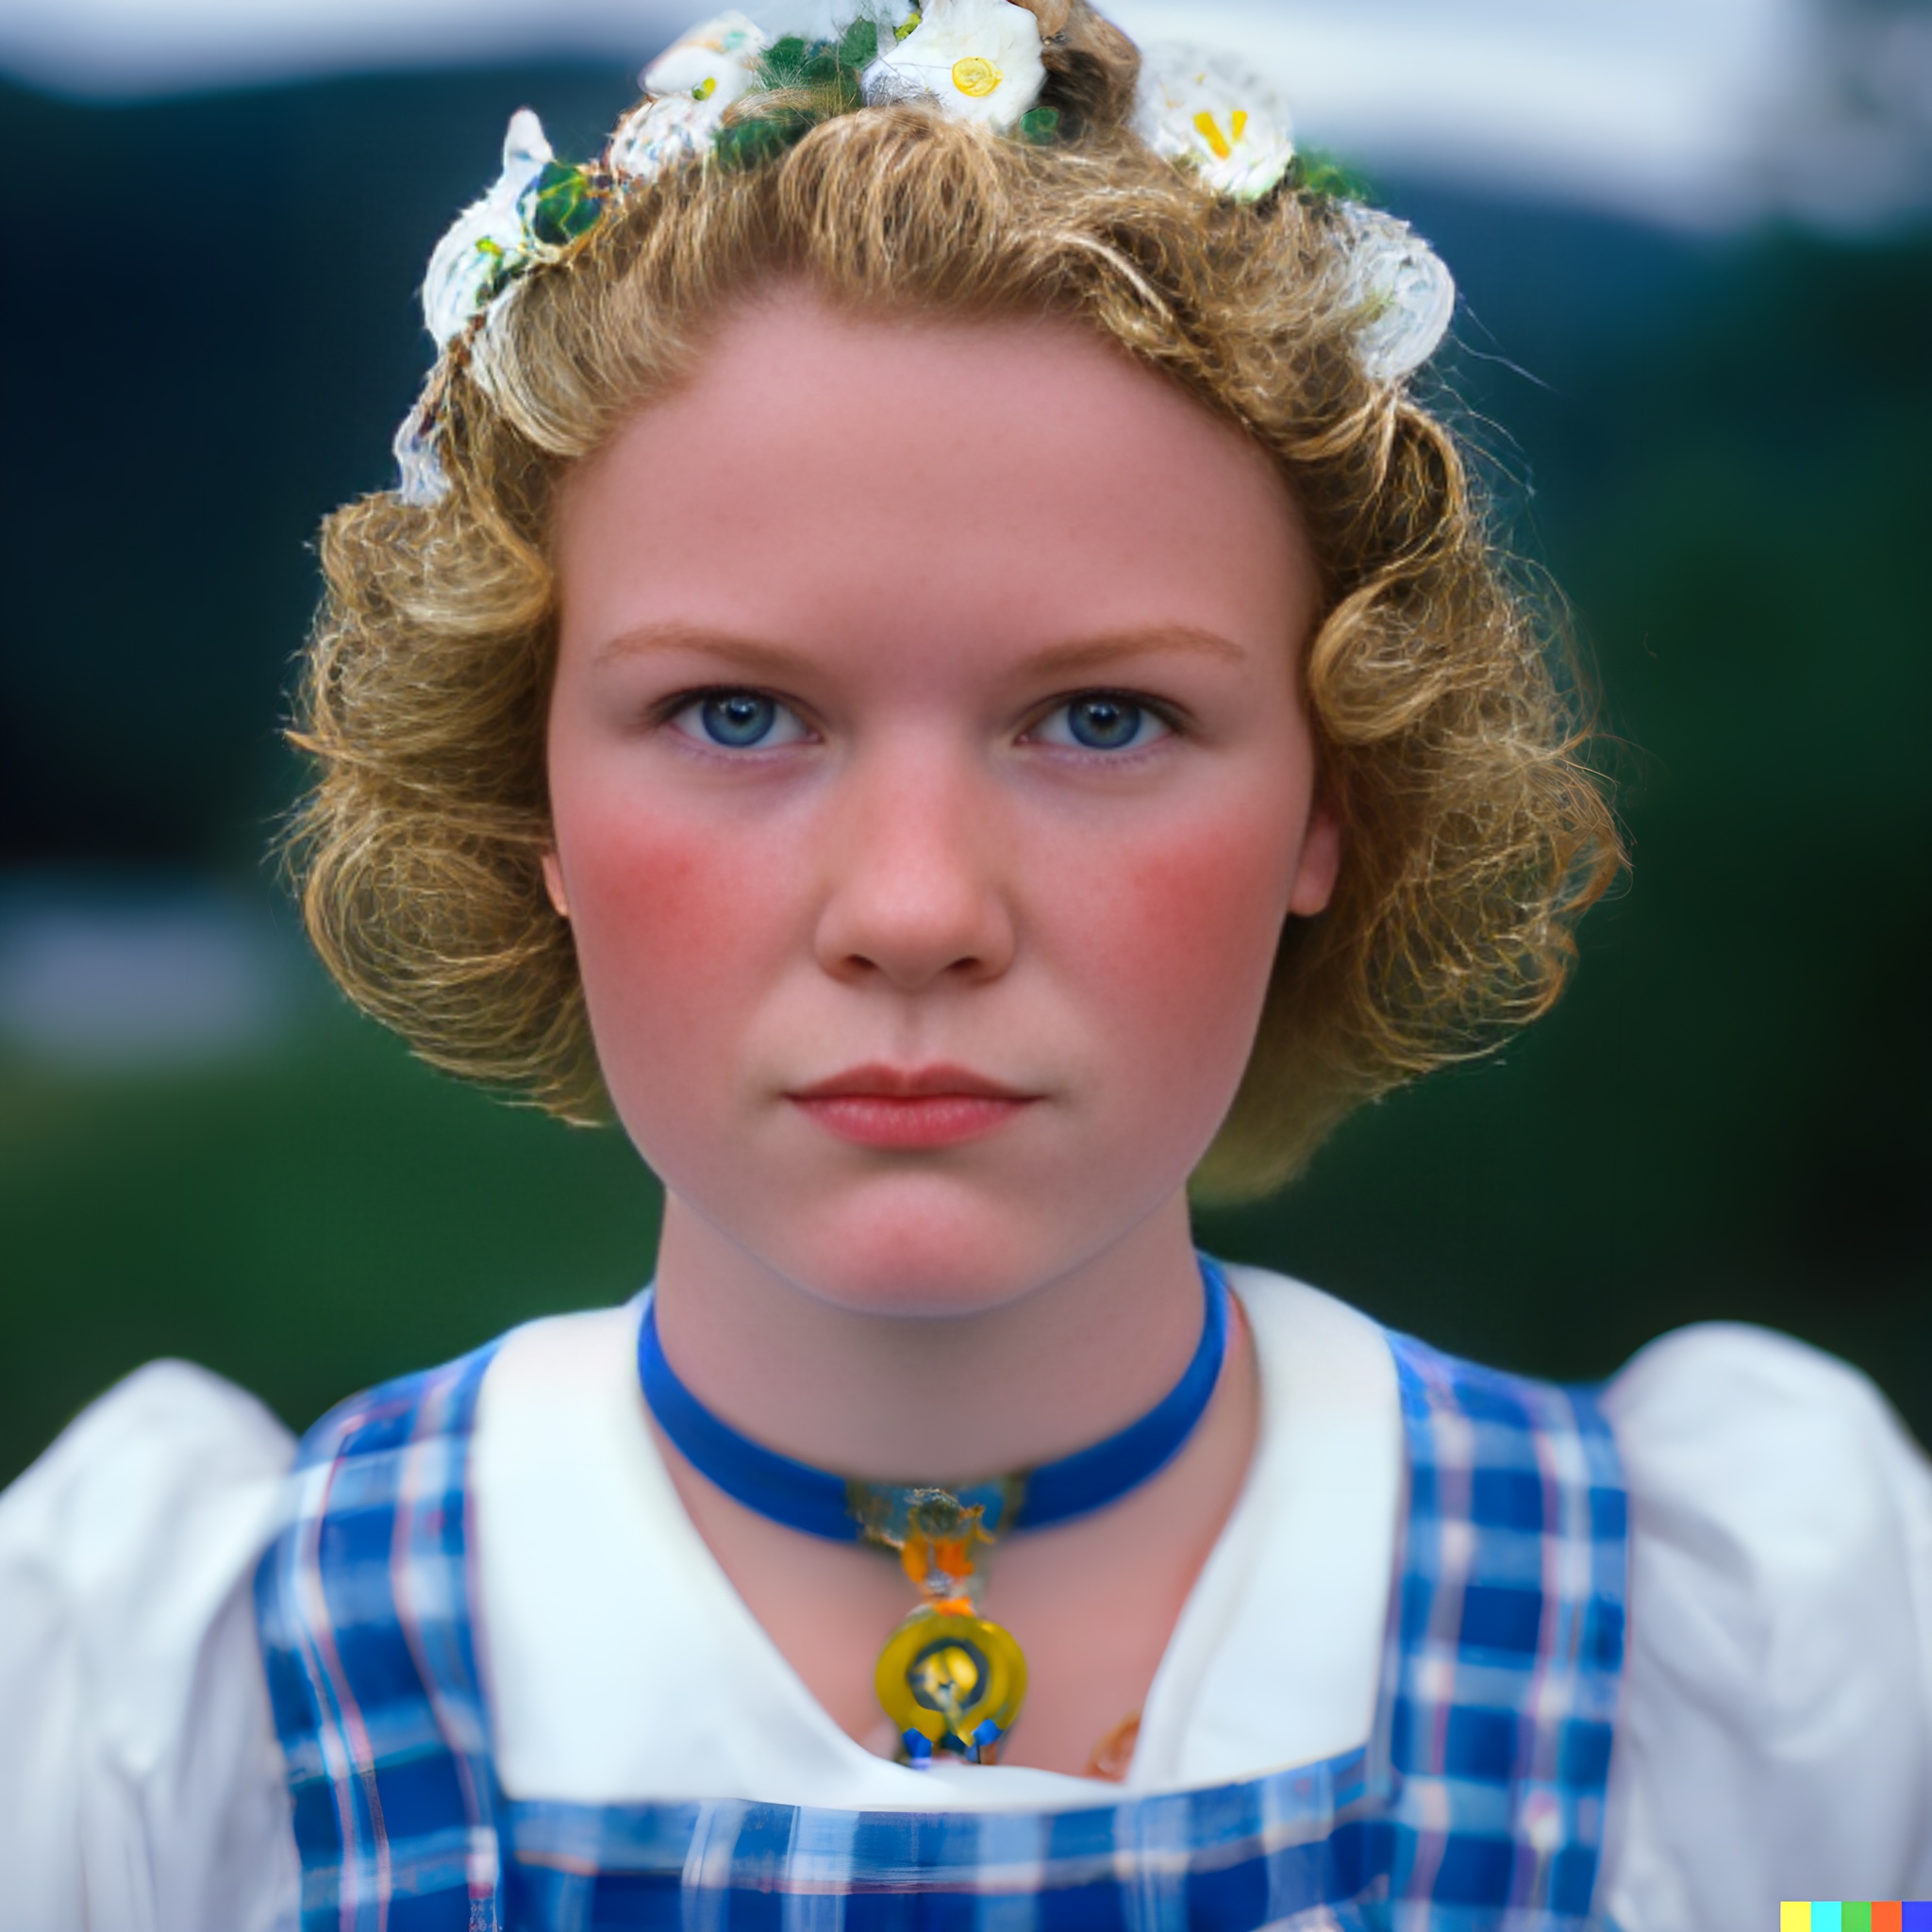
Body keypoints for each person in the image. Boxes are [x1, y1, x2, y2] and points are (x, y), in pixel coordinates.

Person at [3, 5, 1929, 1927]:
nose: (915, 907)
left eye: (1099, 719)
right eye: (736, 713)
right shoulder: (162, 1730)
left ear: (1334, 798)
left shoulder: (1778, 1691)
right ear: (530, 795)